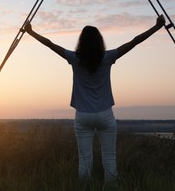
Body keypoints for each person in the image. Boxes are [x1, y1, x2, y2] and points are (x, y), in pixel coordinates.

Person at [23, 14, 166, 187]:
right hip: (105, 114)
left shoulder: (74, 58)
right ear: (99, 41)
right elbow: (134, 41)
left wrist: (31, 32)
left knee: (85, 161)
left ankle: (84, 188)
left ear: (81, 42)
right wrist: (157, 26)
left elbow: (51, 45)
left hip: (82, 115)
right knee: (110, 158)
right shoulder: (108, 57)